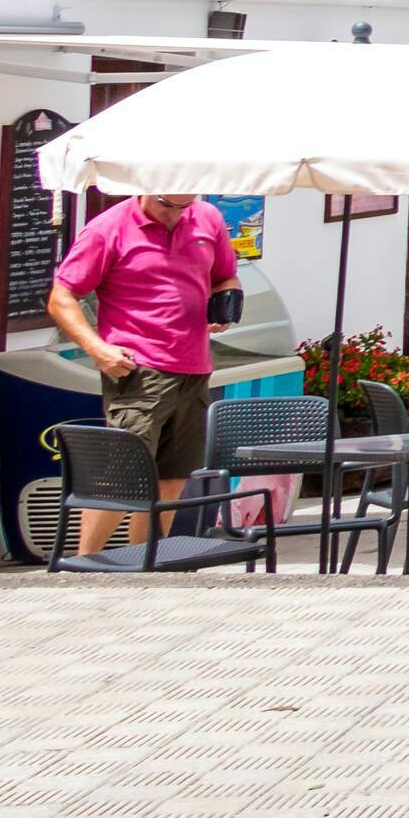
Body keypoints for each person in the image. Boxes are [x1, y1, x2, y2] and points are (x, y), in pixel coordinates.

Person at [43, 188, 240, 559]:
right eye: (167, 205)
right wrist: (95, 348)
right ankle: (82, 567)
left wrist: (226, 304)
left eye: (185, 206)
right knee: (122, 477)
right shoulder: (108, 229)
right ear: (146, 188)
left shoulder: (207, 218)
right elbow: (61, 297)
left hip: (195, 367)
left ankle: (144, 562)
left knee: (171, 477)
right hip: (139, 369)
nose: (176, 214)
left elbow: (225, 276)